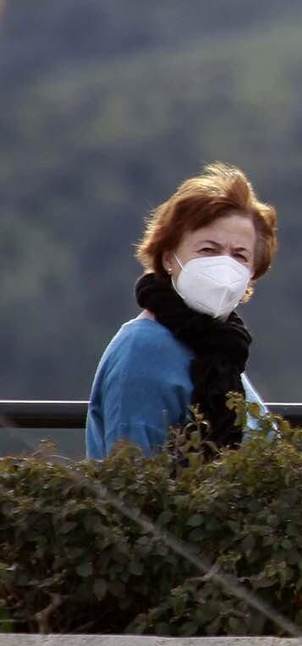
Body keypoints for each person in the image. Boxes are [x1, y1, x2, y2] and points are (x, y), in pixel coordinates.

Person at [86, 163, 278, 459]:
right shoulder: (143, 349)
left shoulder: (221, 352)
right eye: (208, 250)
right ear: (168, 259)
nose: (224, 265)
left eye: (240, 255)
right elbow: (132, 478)